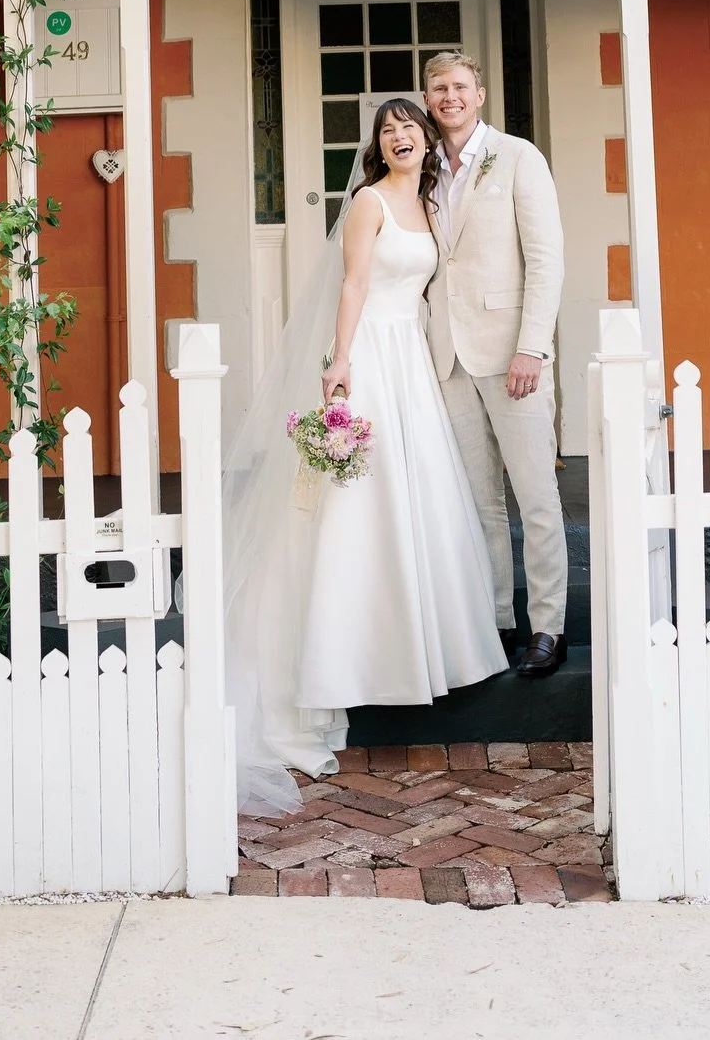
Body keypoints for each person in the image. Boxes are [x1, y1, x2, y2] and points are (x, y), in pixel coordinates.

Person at [222, 97, 506, 817]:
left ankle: (427, 645)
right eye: (388, 129)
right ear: (377, 147)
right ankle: (351, 651)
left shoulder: (432, 204)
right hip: (372, 356)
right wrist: (341, 360)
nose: (401, 135)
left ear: (426, 138)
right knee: (361, 501)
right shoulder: (368, 204)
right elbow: (352, 285)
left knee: (421, 496)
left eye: (410, 125)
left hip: (412, 358)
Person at [422, 51, 569, 678]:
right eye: (438, 89)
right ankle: (496, 620)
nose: (449, 97)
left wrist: (531, 347)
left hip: (513, 353)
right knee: (479, 501)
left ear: (479, 93)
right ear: (428, 99)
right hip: (447, 354)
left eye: (459, 86)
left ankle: (548, 626)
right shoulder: (423, 168)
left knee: (536, 496)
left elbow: (546, 258)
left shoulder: (517, 157)